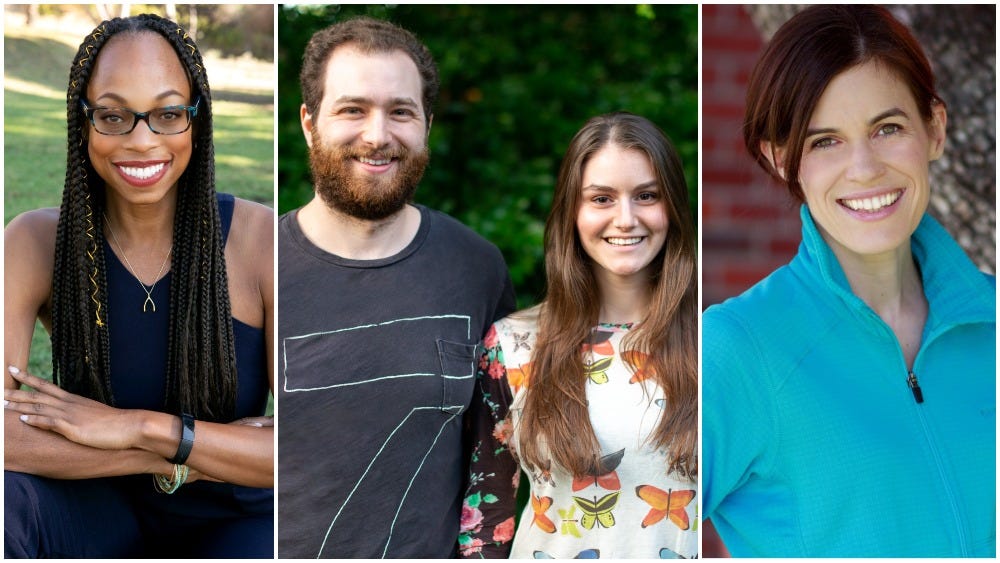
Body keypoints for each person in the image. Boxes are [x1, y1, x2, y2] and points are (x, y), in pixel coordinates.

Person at [702, 5, 995, 557]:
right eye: (824, 141)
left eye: (887, 128)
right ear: (781, 158)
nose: (864, 169)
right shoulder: (737, 349)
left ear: (934, 128)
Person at [3, 14, 274, 558]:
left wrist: (143, 428)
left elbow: (305, 449)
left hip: (234, 522)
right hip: (90, 508)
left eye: (168, 113)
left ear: (196, 121)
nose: (142, 140)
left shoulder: (261, 241)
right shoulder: (35, 241)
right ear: (83, 123)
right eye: (113, 116)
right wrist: (182, 455)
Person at [277, 16, 516, 558]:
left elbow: (495, 458)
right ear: (309, 123)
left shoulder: (476, 268)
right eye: (353, 109)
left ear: (426, 124)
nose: (378, 135)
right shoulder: (257, 267)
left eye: (400, 112)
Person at [457, 112, 698, 559]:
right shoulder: (512, 345)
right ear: (573, 211)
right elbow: (485, 522)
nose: (625, 219)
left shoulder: (716, 346)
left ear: (674, 208)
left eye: (646, 195)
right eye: (602, 199)